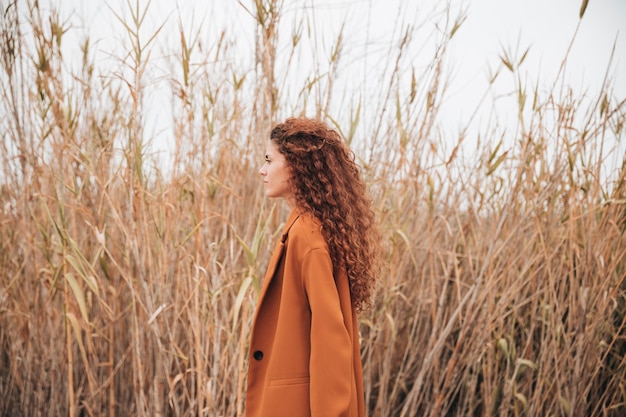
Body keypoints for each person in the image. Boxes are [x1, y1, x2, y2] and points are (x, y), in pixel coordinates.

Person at [246, 117, 381, 417]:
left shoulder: (307, 237)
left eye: (269, 160)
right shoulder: (308, 229)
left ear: (295, 165)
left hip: (302, 406)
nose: (262, 170)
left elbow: (331, 342)